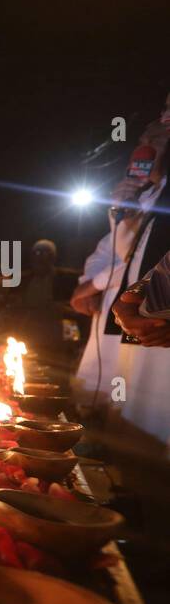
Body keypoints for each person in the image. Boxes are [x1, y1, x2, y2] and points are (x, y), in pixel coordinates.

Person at [74, 115, 170, 447]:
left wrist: (96, 284)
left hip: (158, 333)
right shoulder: (147, 196)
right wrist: (122, 208)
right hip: (132, 327)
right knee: (126, 418)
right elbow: (118, 253)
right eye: (152, 128)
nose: (155, 131)